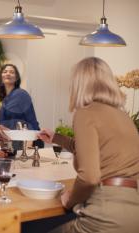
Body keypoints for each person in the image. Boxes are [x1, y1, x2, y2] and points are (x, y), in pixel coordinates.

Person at [38, 57, 139, 233]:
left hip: (106, 213)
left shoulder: (86, 113)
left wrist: (70, 200)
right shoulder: (123, 116)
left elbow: (89, 177)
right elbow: (97, 150)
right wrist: (57, 138)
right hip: (133, 213)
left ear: (79, 84)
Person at [0, 64, 44, 149]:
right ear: (1, 77)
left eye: (12, 72)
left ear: (16, 78)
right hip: (13, 144)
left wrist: (27, 149)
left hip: (27, 143)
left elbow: (31, 121)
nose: (8, 74)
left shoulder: (21, 94)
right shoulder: (5, 98)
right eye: (5, 72)